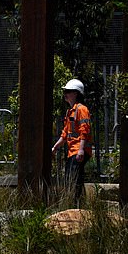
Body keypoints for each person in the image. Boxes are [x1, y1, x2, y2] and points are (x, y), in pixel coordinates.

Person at [51, 78, 93, 206]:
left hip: (79, 151)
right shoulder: (70, 111)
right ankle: (75, 203)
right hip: (72, 151)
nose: (65, 94)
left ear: (76, 93)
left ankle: (76, 204)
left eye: (68, 92)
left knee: (74, 178)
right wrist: (55, 147)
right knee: (71, 177)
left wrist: (81, 150)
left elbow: (84, 131)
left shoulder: (82, 109)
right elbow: (65, 134)